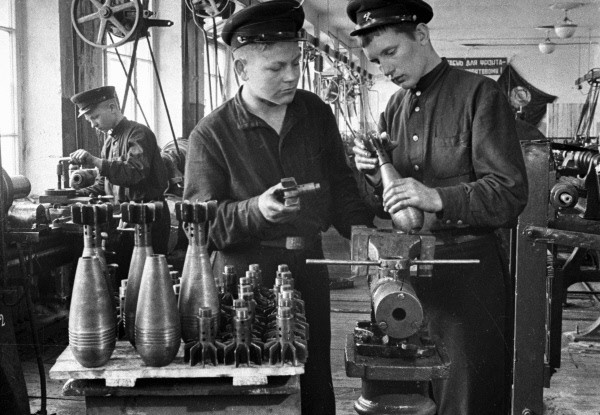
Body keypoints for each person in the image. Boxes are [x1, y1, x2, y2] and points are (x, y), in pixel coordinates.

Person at [183, 1, 374, 413]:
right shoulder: (211, 135)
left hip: (310, 265)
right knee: (256, 383)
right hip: (244, 279)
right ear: (241, 69)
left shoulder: (316, 113)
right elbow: (198, 226)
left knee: (315, 373)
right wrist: (255, 210)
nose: (291, 77)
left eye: (295, 64)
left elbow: (340, 184)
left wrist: (359, 227)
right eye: (275, 68)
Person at [346, 1, 528, 414]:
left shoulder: (479, 95)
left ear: (422, 36)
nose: (385, 69)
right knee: (410, 395)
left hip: (469, 277)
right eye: (376, 61)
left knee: (466, 398)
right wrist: (373, 172)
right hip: (408, 274)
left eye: (390, 52)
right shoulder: (394, 108)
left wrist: (439, 198)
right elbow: (387, 205)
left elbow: (510, 194)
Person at [69, 86, 170, 259]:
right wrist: (72, 195)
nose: (93, 124)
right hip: (124, 220)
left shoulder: (139, 134)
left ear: (112, 108)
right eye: (89, 120)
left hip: (149, 219)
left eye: (95, 117)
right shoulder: (109, 143)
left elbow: (134, 172)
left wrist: (95, 161)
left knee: (148, 280)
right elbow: (103, 185)